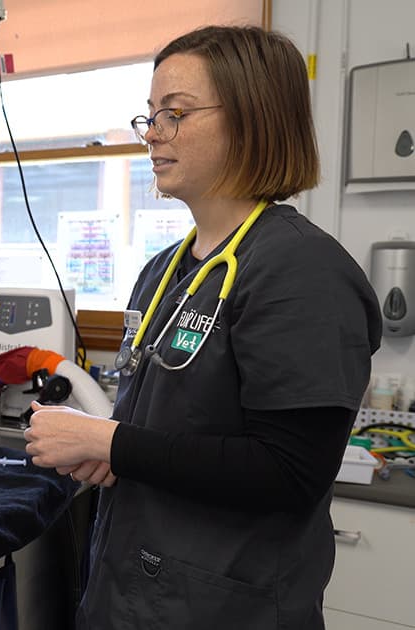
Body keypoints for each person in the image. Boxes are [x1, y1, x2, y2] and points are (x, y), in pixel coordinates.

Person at [23, 26, 382, 629]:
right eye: (150, 115)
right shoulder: (163, 272)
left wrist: (111, 443)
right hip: (129, 591)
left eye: (177, 113)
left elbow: (290, 471)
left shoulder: (302, 271)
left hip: (224, 605)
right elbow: (172, 428)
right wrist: (113, 449)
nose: (153, 134)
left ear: (253, 118)